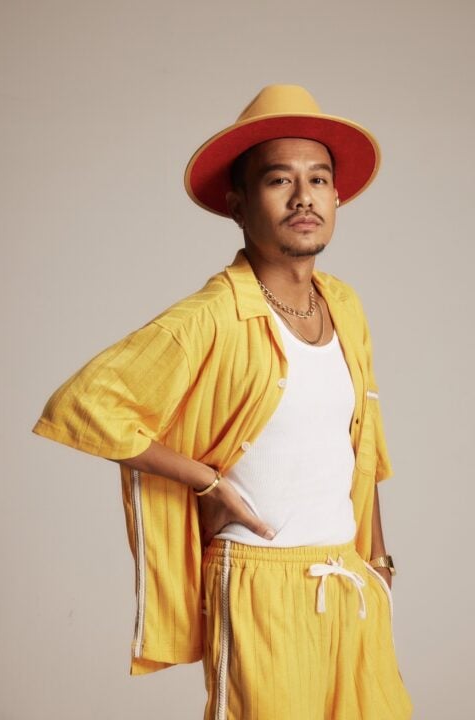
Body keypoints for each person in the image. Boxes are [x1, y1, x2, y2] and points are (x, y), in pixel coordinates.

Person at [33, 84, 413, 719]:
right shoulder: (212, 317)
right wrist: (204, 480)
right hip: (259, 582)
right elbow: (86, 403)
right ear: (238, 205)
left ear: (336, 198)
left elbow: (364, 443)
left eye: (319, 179)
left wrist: (379, 560)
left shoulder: (345, 305)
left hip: (348, 578)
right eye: (279, 180)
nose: (304, 197)